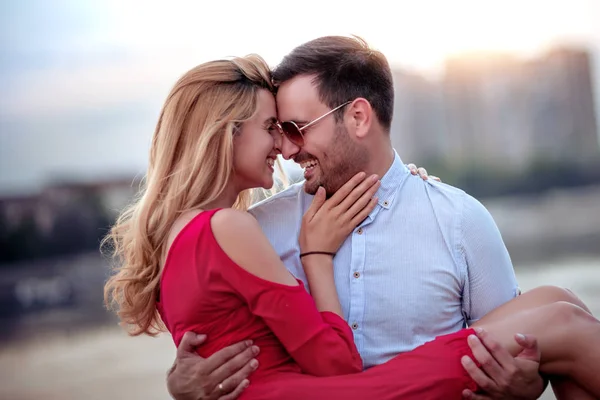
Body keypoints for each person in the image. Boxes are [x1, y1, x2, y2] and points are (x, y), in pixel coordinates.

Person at [103, 53, 600, 400]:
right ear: (224, 135)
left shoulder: (456, 216)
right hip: (350, 391)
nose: (287, 148)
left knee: (562, 305)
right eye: (275, 128)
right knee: (565, 324)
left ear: (358, 117)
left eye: (294, 127)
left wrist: (524, 385)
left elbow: (528, 369)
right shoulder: (245, 228)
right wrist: (181, 387)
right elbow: (316, 361)